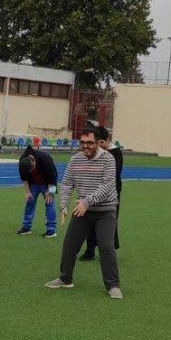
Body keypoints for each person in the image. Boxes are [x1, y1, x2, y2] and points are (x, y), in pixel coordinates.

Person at [45, 127, 122, 298]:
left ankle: (113, 285)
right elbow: (66, 184)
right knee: (69, 245)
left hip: (105, 210)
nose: (85, 146)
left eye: (89, 143)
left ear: (97, 143)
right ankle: (66, 279)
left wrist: (87, 201)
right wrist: (63, 206)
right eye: (82, 142)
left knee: (106, 245)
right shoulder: (75, 160)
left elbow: (108, 185)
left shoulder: (108, 159)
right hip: (82, 211)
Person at [79, 126, 123, 260]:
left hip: (110, 194)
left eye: (101, 143)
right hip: (92, 191)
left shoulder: (115, 154)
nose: (99, 146)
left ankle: (109, 250)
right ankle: (90, 249)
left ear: (106, 140)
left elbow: (112, 177)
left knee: (108, 222)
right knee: (89, 220)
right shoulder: (94, 153)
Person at [16, 145, 58, 238]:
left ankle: (51, 230)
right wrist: (28, 192)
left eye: (33, 168)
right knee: (30, 201)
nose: (32, 171)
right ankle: (26, 228)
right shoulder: (22, 162)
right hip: (33, 183)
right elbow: (24, 178)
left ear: (33, 160)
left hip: (47, 183)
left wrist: (50, 192)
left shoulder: (45, 159)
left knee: (49, 203)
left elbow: (54, 177)